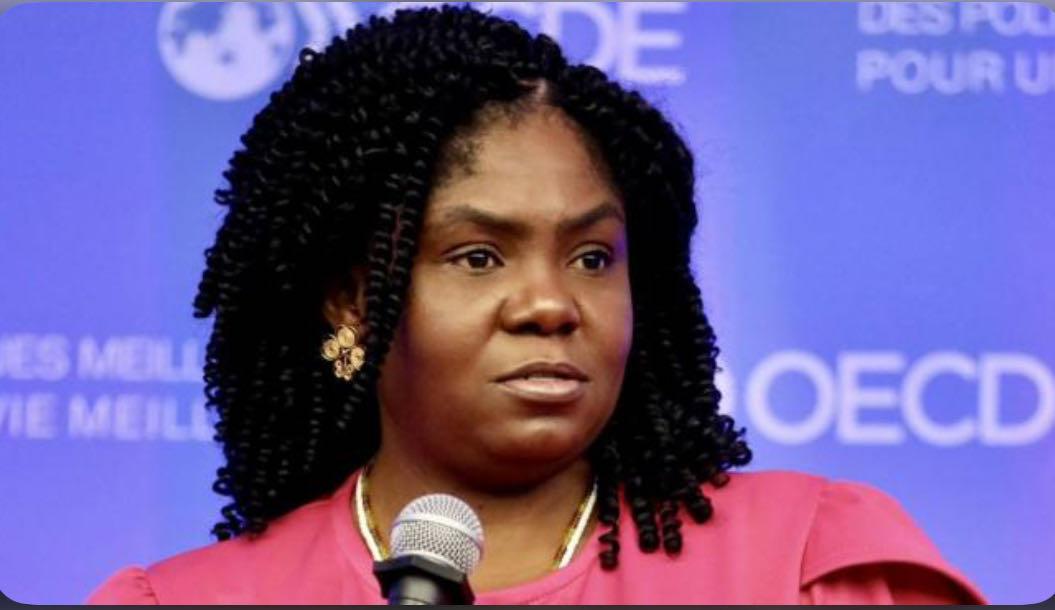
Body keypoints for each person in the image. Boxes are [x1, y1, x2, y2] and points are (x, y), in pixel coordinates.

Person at [89, 5, 985, 604]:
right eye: (478, 257)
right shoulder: (189, 601)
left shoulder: (803, 567)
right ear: (353, 300)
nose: (552, 304)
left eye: (592, 257)